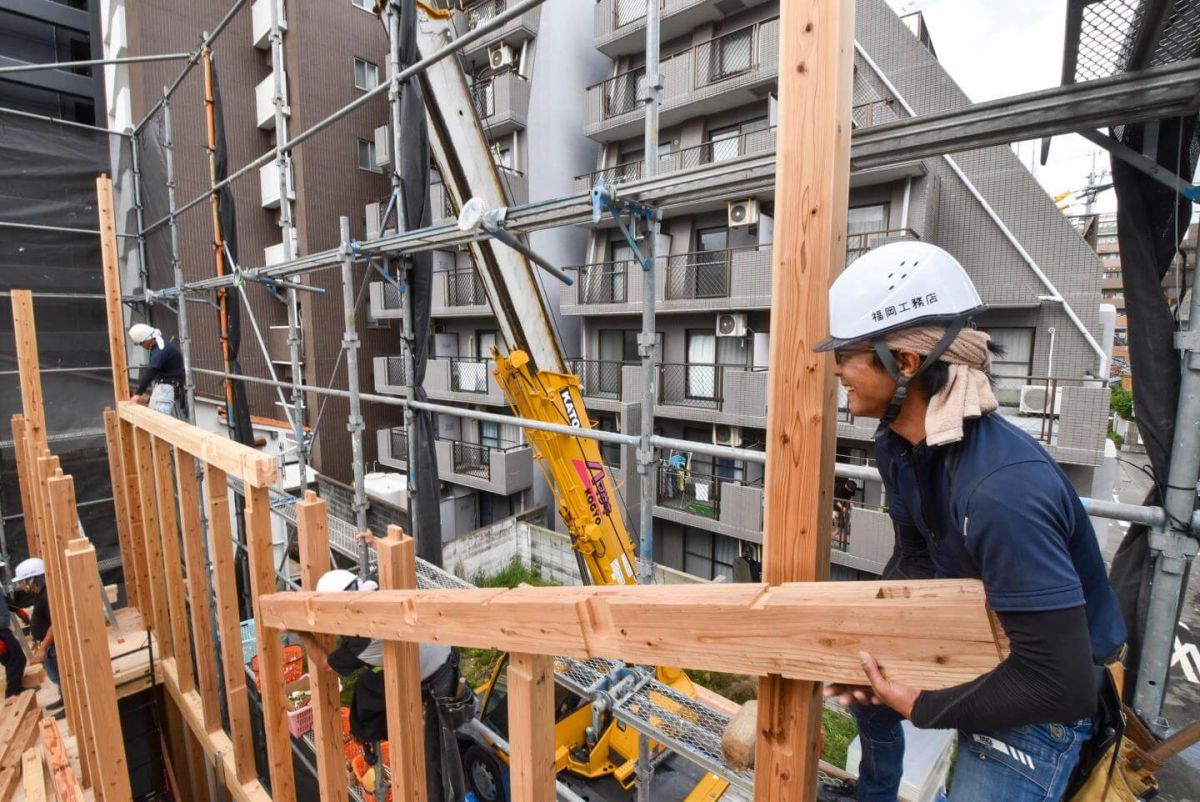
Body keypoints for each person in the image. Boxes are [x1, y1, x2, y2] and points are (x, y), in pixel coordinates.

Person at [815, 242, 1126, 802]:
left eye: (848, 353)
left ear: (904, 363)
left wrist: (922, 704)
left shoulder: (1003, 489)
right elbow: (912, 560)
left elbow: (1061, 681)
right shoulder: (899, 446)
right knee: (867, 691)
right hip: (983, 643)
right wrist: (876, 648)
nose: (836, 368)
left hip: (1041, 702)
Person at [309, 566, 469, 802]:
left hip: (434, 680)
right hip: (442, 658)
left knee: (437, 759)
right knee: (368, 685)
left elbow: (324, 664)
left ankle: (373, 741)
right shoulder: (379, 596)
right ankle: (374, 738)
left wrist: (300, 633)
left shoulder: (362, 641)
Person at [14, 558, 60, 709]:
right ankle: (64, 698)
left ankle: (69, 703)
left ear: (31, 579)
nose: (20, 585)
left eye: (22, 581)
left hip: (52, 645)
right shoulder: (39, 594)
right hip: (45, 644)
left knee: (59, 675)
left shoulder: (47, 596)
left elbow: (54, 625)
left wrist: (41, 650)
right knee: (55, 676)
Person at [127, 323, 186, 417]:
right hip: (163, 387)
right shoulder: (159, 345)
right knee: (154, 418)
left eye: (141, 343)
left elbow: (151, 371)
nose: (142, 346)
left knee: (159, 421)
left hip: (166, 388)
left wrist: (137, 394)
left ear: (148, 339)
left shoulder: (160, 350)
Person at [0, 562, 27, 698]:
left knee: (15, 658)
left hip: (3, 630)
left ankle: (17, 689)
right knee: (14, 659)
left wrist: (17, 609)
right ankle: (11, 693)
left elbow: (3, 600)